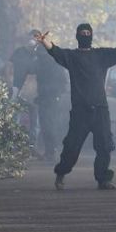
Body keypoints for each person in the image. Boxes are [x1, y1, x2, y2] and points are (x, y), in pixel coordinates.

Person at [34, 23, 116, 190]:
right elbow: (56, 51)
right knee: (72, 147)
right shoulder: (71, 57)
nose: (85, 35)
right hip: (80, 112)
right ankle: (61, 173)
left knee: (105, 146)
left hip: (100, 109)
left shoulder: (102, 55)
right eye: (82, 33)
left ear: (91, 35)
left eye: (88, 32)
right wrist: (44, 41)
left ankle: (103, 179)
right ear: (77, 36)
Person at [34, 33, 68, 162]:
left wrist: (54, 94)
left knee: (49, 125)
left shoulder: (53, 64)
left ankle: (51, 151)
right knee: (46, 125)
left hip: (52, 98)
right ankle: (50, 151)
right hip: (46, 98)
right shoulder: (43, 64)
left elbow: (62, 84)